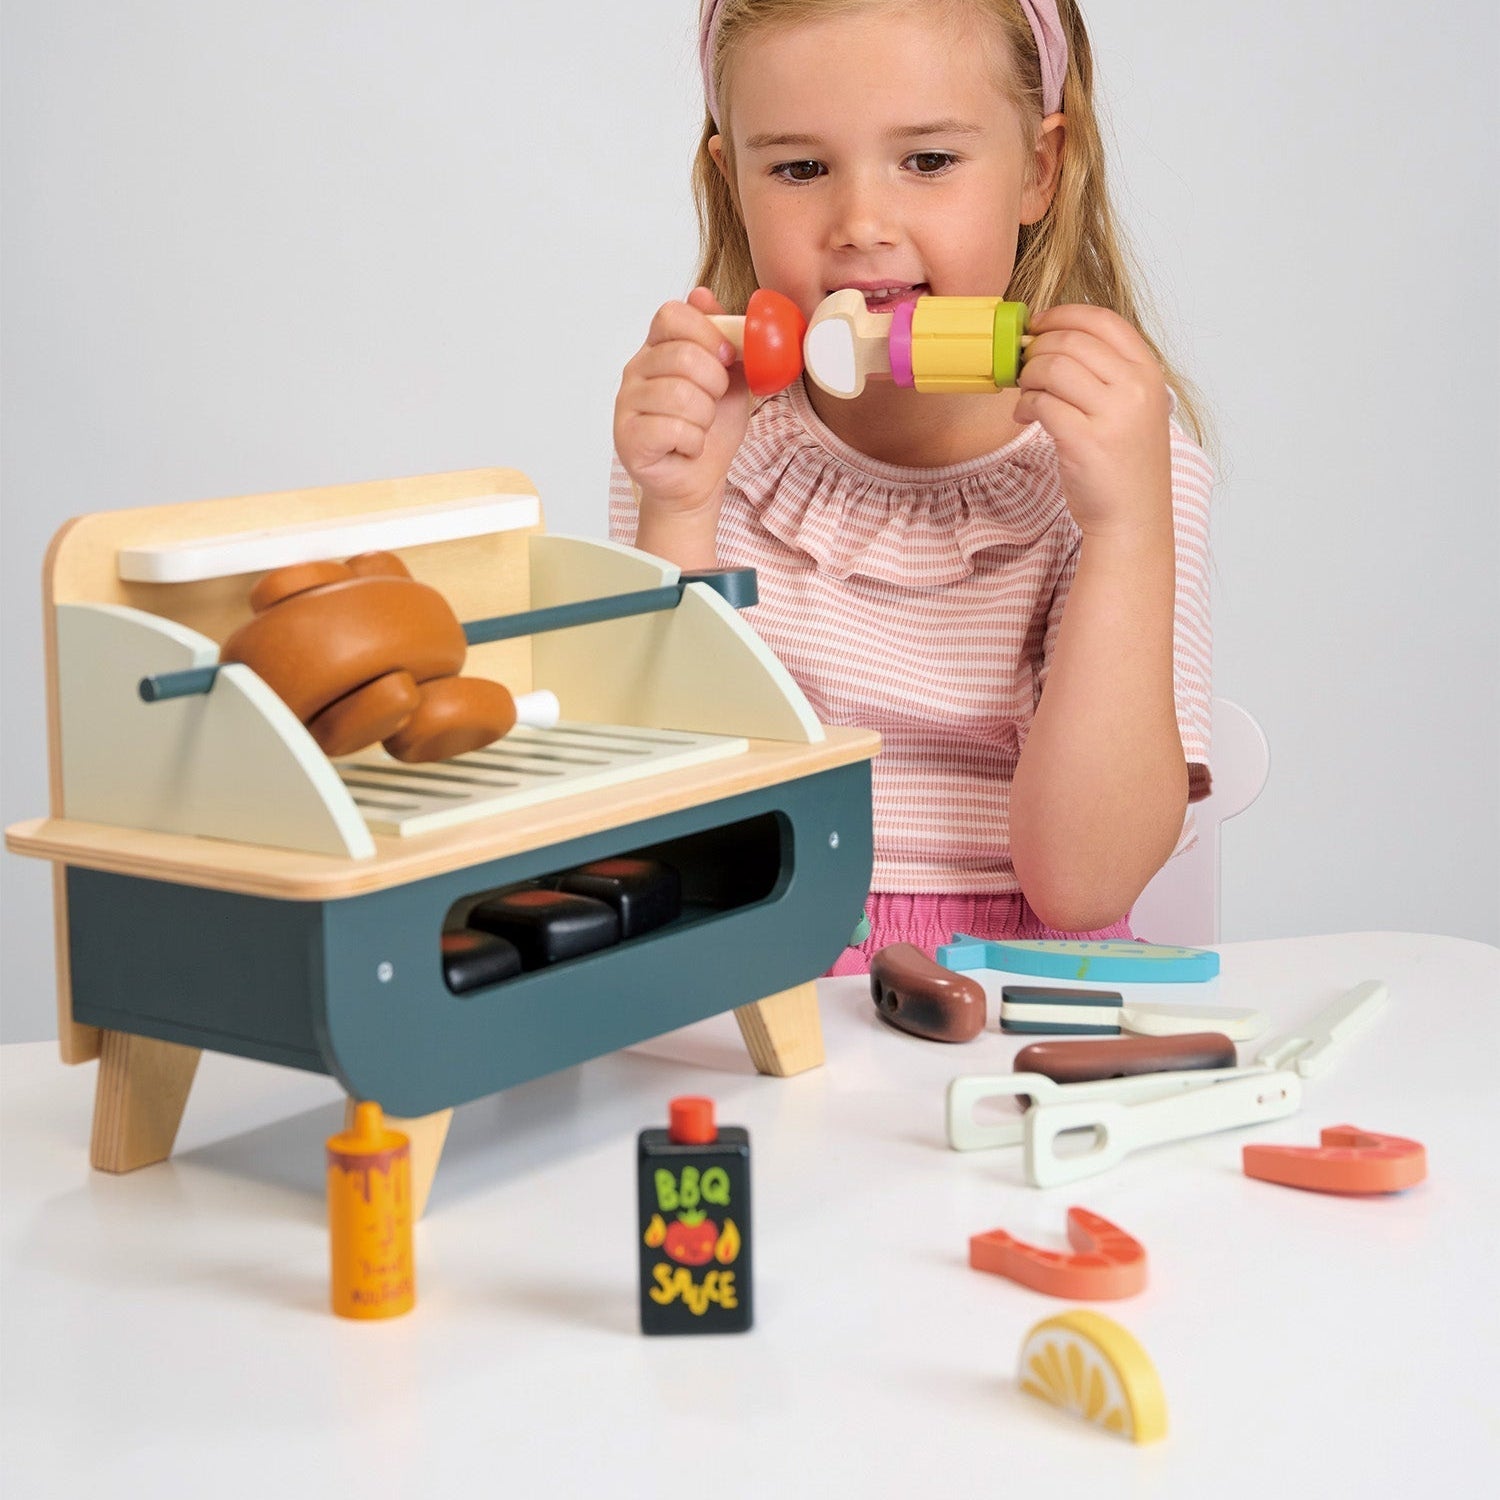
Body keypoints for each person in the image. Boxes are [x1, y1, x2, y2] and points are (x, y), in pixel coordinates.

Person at [611, 0, 1212, 974]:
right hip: (762, 963)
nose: (861, 225)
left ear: (1040, 168)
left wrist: (1126, 531)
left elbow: (1086, 884)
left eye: (928, 160)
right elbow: (665, 841)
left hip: (1020, 983)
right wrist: (677, 510)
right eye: (800, 169)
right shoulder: (699, 443)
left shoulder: (1125, 467)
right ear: (733, 182)